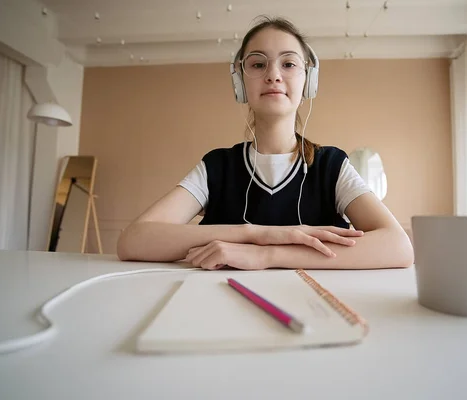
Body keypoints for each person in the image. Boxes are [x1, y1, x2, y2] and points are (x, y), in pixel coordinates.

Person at [117, 16, 413, 270]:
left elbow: (398, 247)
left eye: (288, 63)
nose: (273, 75)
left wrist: (267, 254)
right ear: (240, 83)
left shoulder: (331, 166)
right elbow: (134, 241)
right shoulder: (217, 167)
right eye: (258, 64)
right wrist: (256, 234)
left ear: (308, 80)